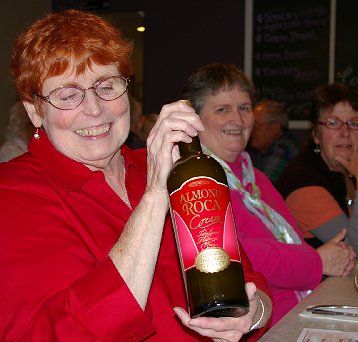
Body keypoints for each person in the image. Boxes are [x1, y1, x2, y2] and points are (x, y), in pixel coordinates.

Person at [0, 10, 273, 341]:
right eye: (69, 95)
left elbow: (252, 281)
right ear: (35, 110)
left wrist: (252, 315)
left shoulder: (156, 164)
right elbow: (62, 333)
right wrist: (156, 194)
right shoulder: (12, 194)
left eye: (107, 86)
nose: (94, 109)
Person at [181, 63, 356, 326]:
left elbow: (288, 243)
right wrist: (317, 261)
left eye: (244, 108)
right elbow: (236, 253)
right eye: (222, 109)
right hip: (262, 326)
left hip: (300, 311)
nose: (238, 120)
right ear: (195, 120)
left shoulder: (255, 176)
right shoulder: (194, 183)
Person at [276, 83, 358, 259]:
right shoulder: (303, 182)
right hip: (316, 286)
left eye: (354, 123)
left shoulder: (346, 169)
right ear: (316, 135)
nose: (345, 132)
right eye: (333, 123)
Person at [247, 99, 300, 184]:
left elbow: (261, 189)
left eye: (256, 126)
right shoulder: (262, 150)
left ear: (276, 127)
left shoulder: (283, 149)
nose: (251, 131)